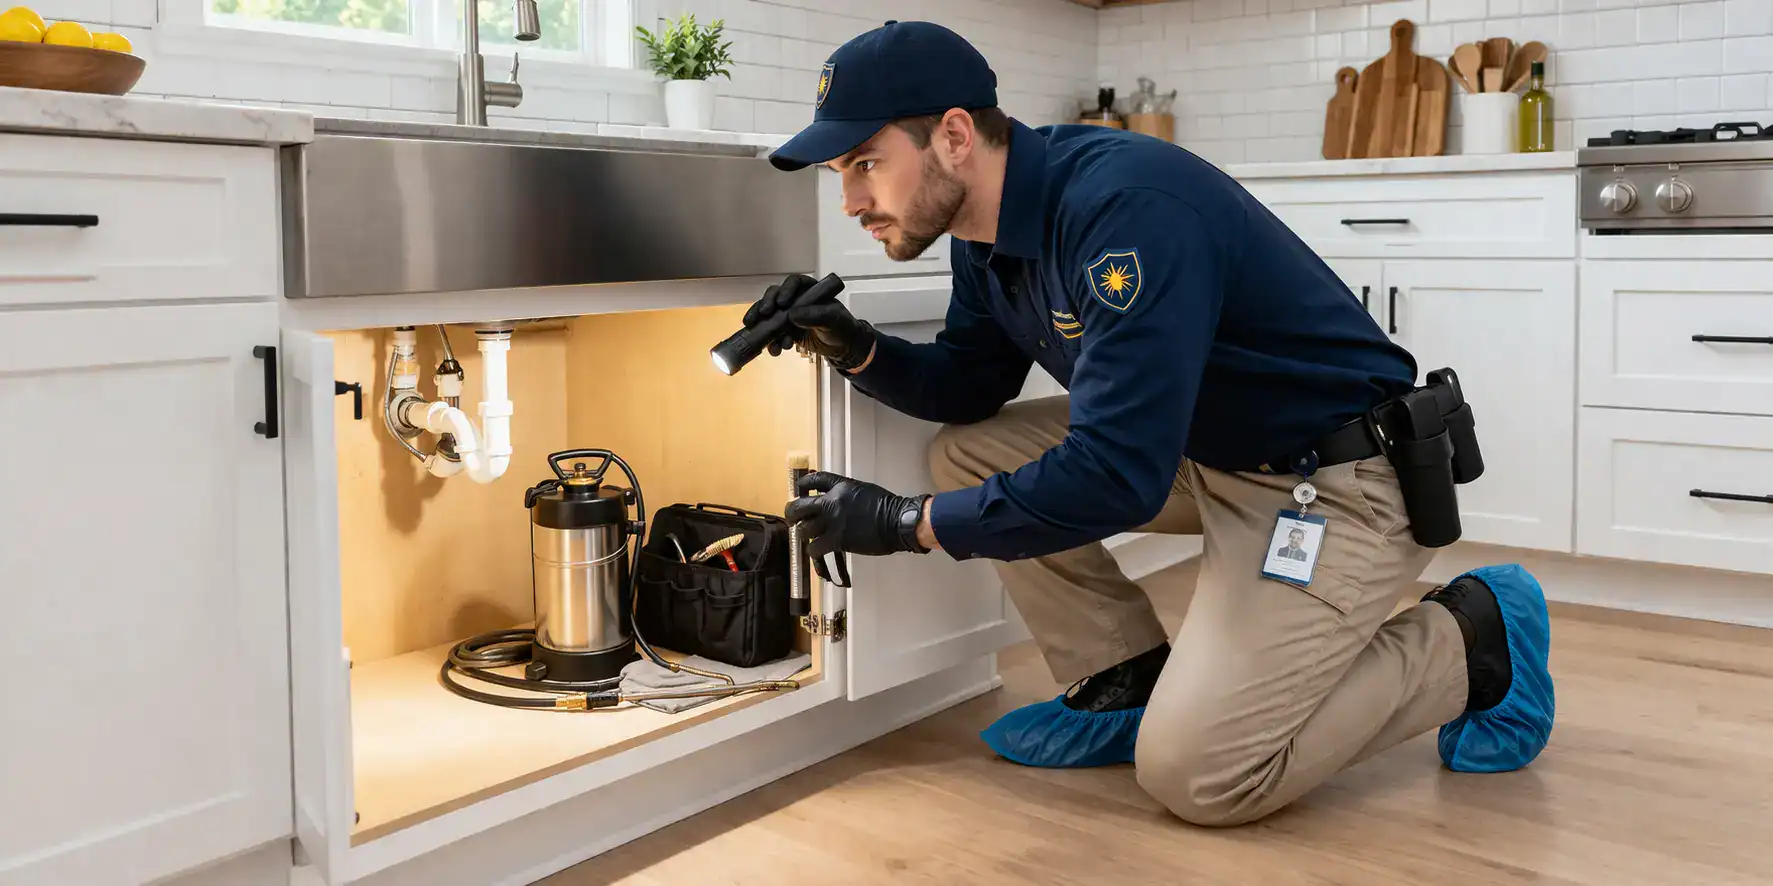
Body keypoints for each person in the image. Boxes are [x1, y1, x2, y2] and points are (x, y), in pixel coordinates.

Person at [755, 20, 1555, 826]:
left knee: (1202, 775)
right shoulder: (981, 230)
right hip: (1205, 449)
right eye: (839, 172)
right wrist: (853, 347)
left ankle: (1476, 634)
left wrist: (904, 524)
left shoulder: (1124, 210)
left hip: (1336, 479)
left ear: (954, 136)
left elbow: (1116, 474)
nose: (853, 200)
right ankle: (1120, 678)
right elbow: (968, 385)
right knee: (969, 453)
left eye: (865, 164)